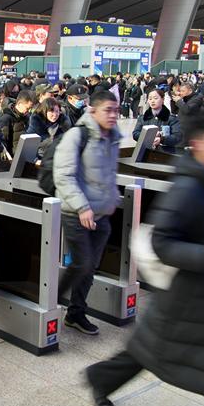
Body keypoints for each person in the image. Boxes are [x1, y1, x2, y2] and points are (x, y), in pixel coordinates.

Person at [85, 110, 204, 406]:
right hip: (188, 300)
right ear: (198, 143)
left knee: (150, 352)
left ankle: (101, 377)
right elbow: (162, 243)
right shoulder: (188, 189)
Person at [54, 90, 121, 335]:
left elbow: (107, 174)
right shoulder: (76, 135)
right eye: (108, 110)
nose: (114, 115)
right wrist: (82, 207)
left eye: (116, 110)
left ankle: (75, 313)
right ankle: (49, 301)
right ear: (92, 110)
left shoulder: (112, 137)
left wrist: (112, 200)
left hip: (101, 215)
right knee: (81, 263)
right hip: (76, 213)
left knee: (89, 267)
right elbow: (63, 175)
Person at [132, 88, 183, 153]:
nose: (152, 101)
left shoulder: (171, 118)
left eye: (155, 98)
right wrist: (149, 135)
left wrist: (161, 139)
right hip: (145, 152)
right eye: (150, 99)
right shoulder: (142, 118)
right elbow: (135, 134)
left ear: (162, 99)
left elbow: (177, 137)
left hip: (166, 154)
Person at [0, 89, 36, 155]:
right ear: (19, 104)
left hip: (25, 154)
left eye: (31, 108)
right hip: (12, 157)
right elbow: (2, 142)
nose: (29, 111)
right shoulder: (6, 118)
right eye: (27, 108)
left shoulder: (27, 116)